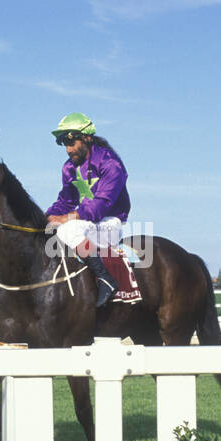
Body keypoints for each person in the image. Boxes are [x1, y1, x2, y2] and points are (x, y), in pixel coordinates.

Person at [44, 113, 131, 307]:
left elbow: (102, 203)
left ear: (87, 138)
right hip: (87, 223)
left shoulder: (111, 164)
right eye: (63, 144)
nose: (68, 149)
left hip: (110, 222)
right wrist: (47, 216)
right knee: (48, 231)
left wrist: (68, 218)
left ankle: (105, 279)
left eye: (71, 142)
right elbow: (66, 200)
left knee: (69, 229)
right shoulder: (69, 168)